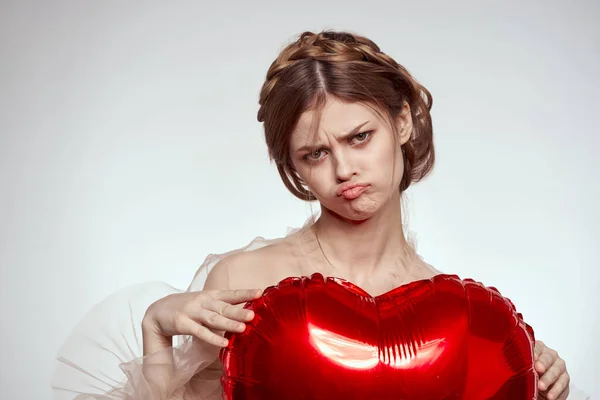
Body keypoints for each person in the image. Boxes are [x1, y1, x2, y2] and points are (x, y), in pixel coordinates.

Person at [52, 30, 584, 400]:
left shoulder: (465, 320)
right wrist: (156, 334)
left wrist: (529, 378)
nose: (345, 170)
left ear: (401, 121)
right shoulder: (248, 286)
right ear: (295, 166)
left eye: (359, 137)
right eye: (315, 154)